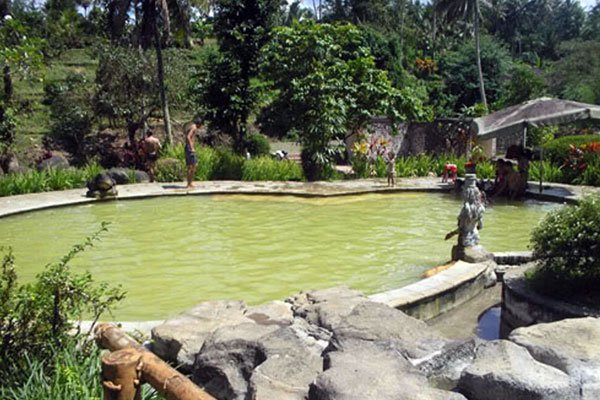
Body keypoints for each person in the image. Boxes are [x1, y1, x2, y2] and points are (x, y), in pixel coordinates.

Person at [185, 118, 201, 188]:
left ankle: (190, 183)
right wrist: (192, 147)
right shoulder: (194, 127)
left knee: (191, 166)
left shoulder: (191, 126)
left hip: (188, 147)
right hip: (189, 148)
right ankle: (189, 183)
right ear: (199, 123)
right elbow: (188, 137)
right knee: (193, 165)